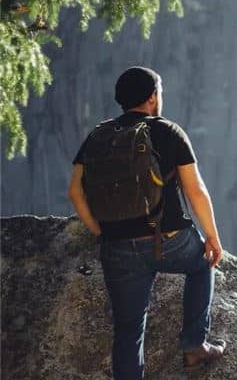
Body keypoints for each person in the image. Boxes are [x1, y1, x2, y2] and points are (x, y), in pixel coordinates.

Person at [67, 66, 226, 379]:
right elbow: (195, 190)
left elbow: (75, 191)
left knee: (128, 332)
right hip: (168, 240)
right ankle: (195, 346)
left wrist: (101, 230)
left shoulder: (99, 135)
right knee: (202, 263)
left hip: (116, 245)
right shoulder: (167, 131)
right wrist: (212, 238)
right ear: (153, 98)